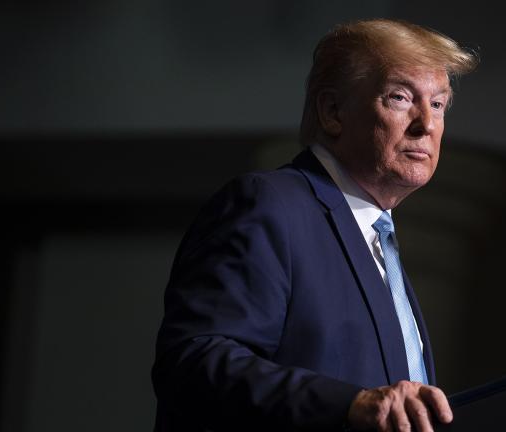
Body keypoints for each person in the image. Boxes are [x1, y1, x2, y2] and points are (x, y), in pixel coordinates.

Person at [152, 18, 477, 431]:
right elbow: (195, 362)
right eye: (400, 98)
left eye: (437, 104)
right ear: (332, 111)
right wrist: (350, 404)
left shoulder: (379, 240)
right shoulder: (271, 205)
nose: (426, 125)